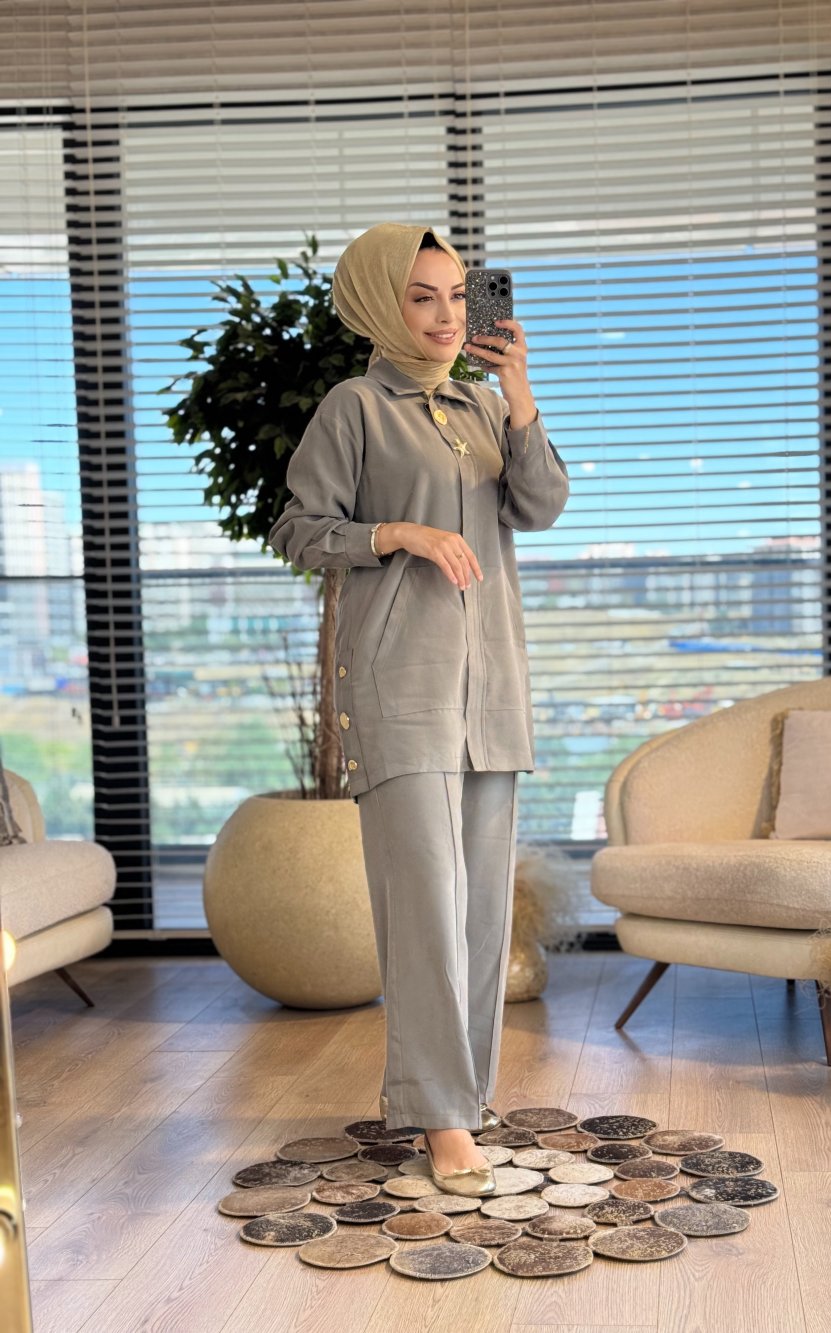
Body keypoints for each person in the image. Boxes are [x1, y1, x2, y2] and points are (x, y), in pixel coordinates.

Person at [268, 221, 569, 1196]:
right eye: (421, 296)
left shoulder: (483, 406)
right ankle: (440, 1115)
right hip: (401, 685)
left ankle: (463, 1096)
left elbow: (541, 505)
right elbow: (299, 528)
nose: (445, 316)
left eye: (456, 295)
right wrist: (396, 531)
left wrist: (519, 394)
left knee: (481, 908)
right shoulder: (355, 407)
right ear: (377, 304)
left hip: (491, 688)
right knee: (426, 908)